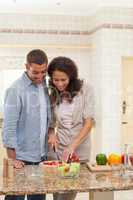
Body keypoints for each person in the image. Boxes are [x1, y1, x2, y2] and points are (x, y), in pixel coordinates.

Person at [2, 49, 52, 200]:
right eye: (35, 72)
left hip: (41, 159)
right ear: (26, 66)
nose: (40, 76)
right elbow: (9, 127)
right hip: (21, 160)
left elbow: (46, 118)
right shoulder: (15, 90)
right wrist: (12, 160)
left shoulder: (43, 86)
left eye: (43, 72)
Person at [48, 56, 95, 200]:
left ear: (71, 77)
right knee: (57, 192)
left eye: (64, 80)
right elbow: (51, 122)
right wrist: (51, 133)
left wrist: (72, 147)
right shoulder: (53, 92)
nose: (60, 83)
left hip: (78, 148)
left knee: (68, 194)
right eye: (56, 80)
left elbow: (89, 122)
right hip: (58, 148)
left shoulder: (86, 89)